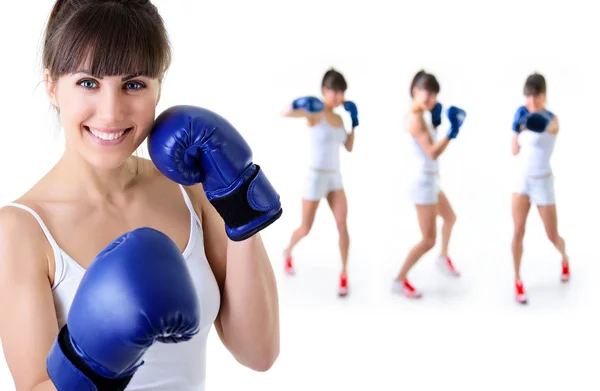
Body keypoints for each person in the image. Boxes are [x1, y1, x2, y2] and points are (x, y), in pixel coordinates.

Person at [0, 1, 281, 390]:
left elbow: (259, 353)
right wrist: (95, 358)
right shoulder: (20, 229)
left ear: (159, 84)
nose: (112, 112)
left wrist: (238, 202)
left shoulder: (191, 190)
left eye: (134, 84)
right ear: (52, 85)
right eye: (88, 83)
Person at [280, 68, 359, 297]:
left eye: (341, 91)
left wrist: (354, 123)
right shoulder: (314, 112)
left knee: (343, 226)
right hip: (315, 178)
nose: (338, 95)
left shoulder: (338, 118)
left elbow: (349, 147)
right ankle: (287, 251)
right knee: (305, 228)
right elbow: (285, 113)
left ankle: (344, 274)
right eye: (334, 90)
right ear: (324, 90)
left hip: (335, 177)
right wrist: (298, 103)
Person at [393, 70, 466, 299]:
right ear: (415, 91)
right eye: (427, 92)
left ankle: (443, 258)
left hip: (431, 180)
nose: (431, 98)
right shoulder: (415, 119)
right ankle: (399, 280)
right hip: (423, 184)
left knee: (450, 217)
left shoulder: (423, 116)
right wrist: (452, 132)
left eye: (434, 94)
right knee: (428, 240)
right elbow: (432, 153)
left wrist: (436, 125)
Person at [510, 72, 570, 304]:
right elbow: (514, 151)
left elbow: (550, 127)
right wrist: (516, 127)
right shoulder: (522, 115)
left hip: (543, 181)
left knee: (552, 235)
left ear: (544, 95)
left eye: (536, 96)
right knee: (517, 232)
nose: (531, 101)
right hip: (522, 181)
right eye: (528, 97)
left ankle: (564, 258)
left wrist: (532, 122)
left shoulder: (552, 119)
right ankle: (517, 279)